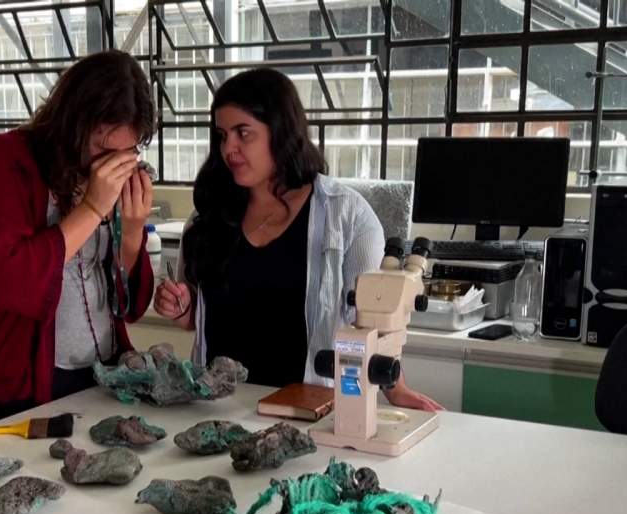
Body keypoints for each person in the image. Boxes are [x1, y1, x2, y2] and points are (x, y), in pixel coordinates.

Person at [152, 68, 441, 411]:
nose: (229, 148)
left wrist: (395, 389)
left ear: (281, 132)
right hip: (214, 411)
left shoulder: (347, 217)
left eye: (243, 133)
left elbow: (372, 324)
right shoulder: (208, 216)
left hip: (306, 413)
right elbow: (195, 320)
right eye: (222, 134)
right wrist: (181, 307)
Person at [0, 51, 156, 426]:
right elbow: (11, 282)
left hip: (103, 375)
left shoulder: (112, 175)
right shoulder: (2, 161)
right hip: (21, 386)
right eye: (102, 149)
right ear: (72, 122)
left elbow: (129, 307)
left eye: (126, 152)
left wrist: (131, 234)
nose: (109, 164)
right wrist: (92, 209)